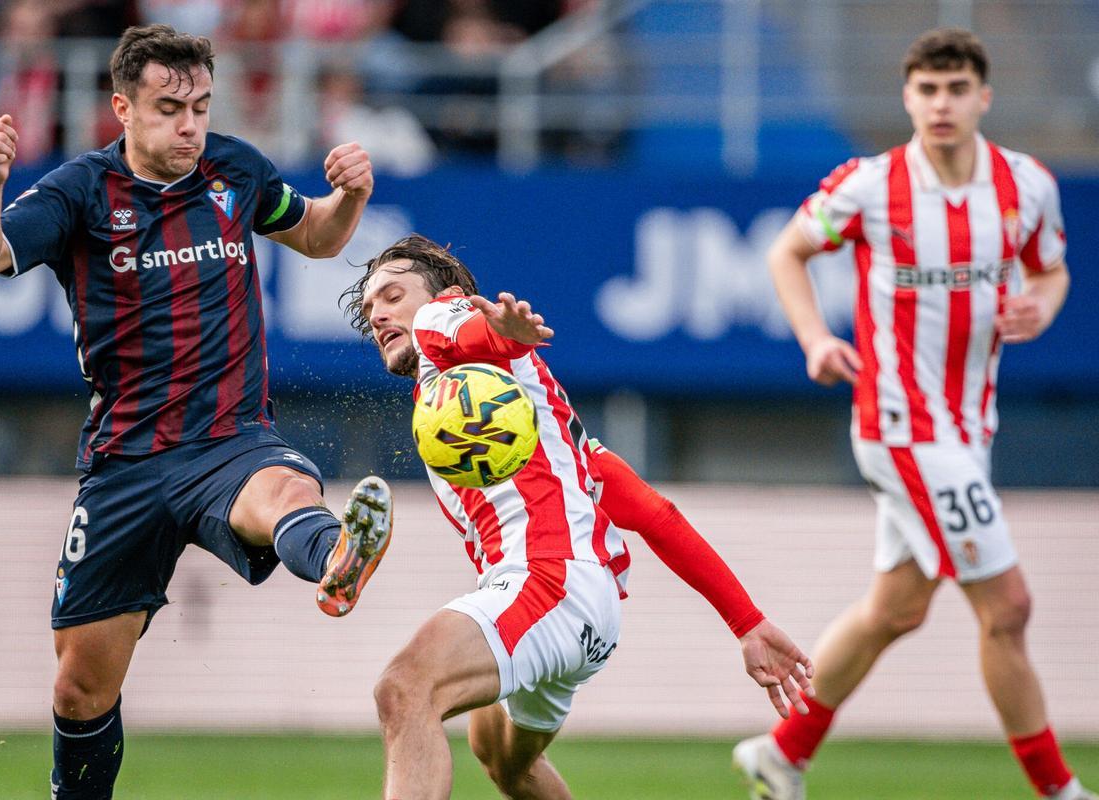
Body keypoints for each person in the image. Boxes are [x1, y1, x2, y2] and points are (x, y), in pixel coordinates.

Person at [0, 24, 392, 800]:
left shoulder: (234, 169)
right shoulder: (77, 192)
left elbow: (318, 238)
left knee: (288, 492)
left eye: (200, 105)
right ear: (122, 108)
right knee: (79, 690)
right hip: (125, 464)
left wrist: (350, 195)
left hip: (229, 442)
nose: (190, 125)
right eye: (169, 108)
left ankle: (337, 558)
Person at [732, 28, 1093, 800]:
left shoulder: (1026, 184)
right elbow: (786, 251)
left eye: (956, 89)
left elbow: (1053, 269)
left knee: (895, 610)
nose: (941, 104)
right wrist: (813, 338)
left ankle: (783, 752)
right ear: (907, 98)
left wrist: (1044, 306)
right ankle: (1059, 791)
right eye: (927, 90)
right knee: (1010, 606)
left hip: (968, 428)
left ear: (983, 97)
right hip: (901, 426)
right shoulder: (872, 185)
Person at [342, 234, 815, 799]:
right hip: (585, 610)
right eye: (371, 308)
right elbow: (653, 513)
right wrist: (747, 623)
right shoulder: (539, 418)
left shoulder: (444, 323)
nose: (381, 315)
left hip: (550, 583)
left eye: (394, 295)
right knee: (501, 759)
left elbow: (459, 325)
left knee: (405, 687)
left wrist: (495, 331)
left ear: (443, 294)